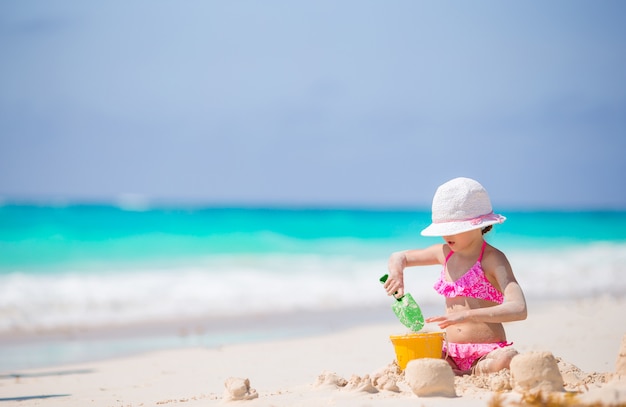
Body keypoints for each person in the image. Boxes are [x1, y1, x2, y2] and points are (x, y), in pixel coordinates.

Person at [383, 177, 527, 375]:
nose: (446, 236)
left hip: (486, 352)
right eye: (443, 229)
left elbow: (519, 308)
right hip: (449, 351)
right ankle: (457, 372)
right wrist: (397, 272)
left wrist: (467, 315)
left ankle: (472, 372)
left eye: (454, 230)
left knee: (507, 357)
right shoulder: (444, 253)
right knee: (412, 359)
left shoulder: (493, 259)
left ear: (478, 226)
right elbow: (399, 256)